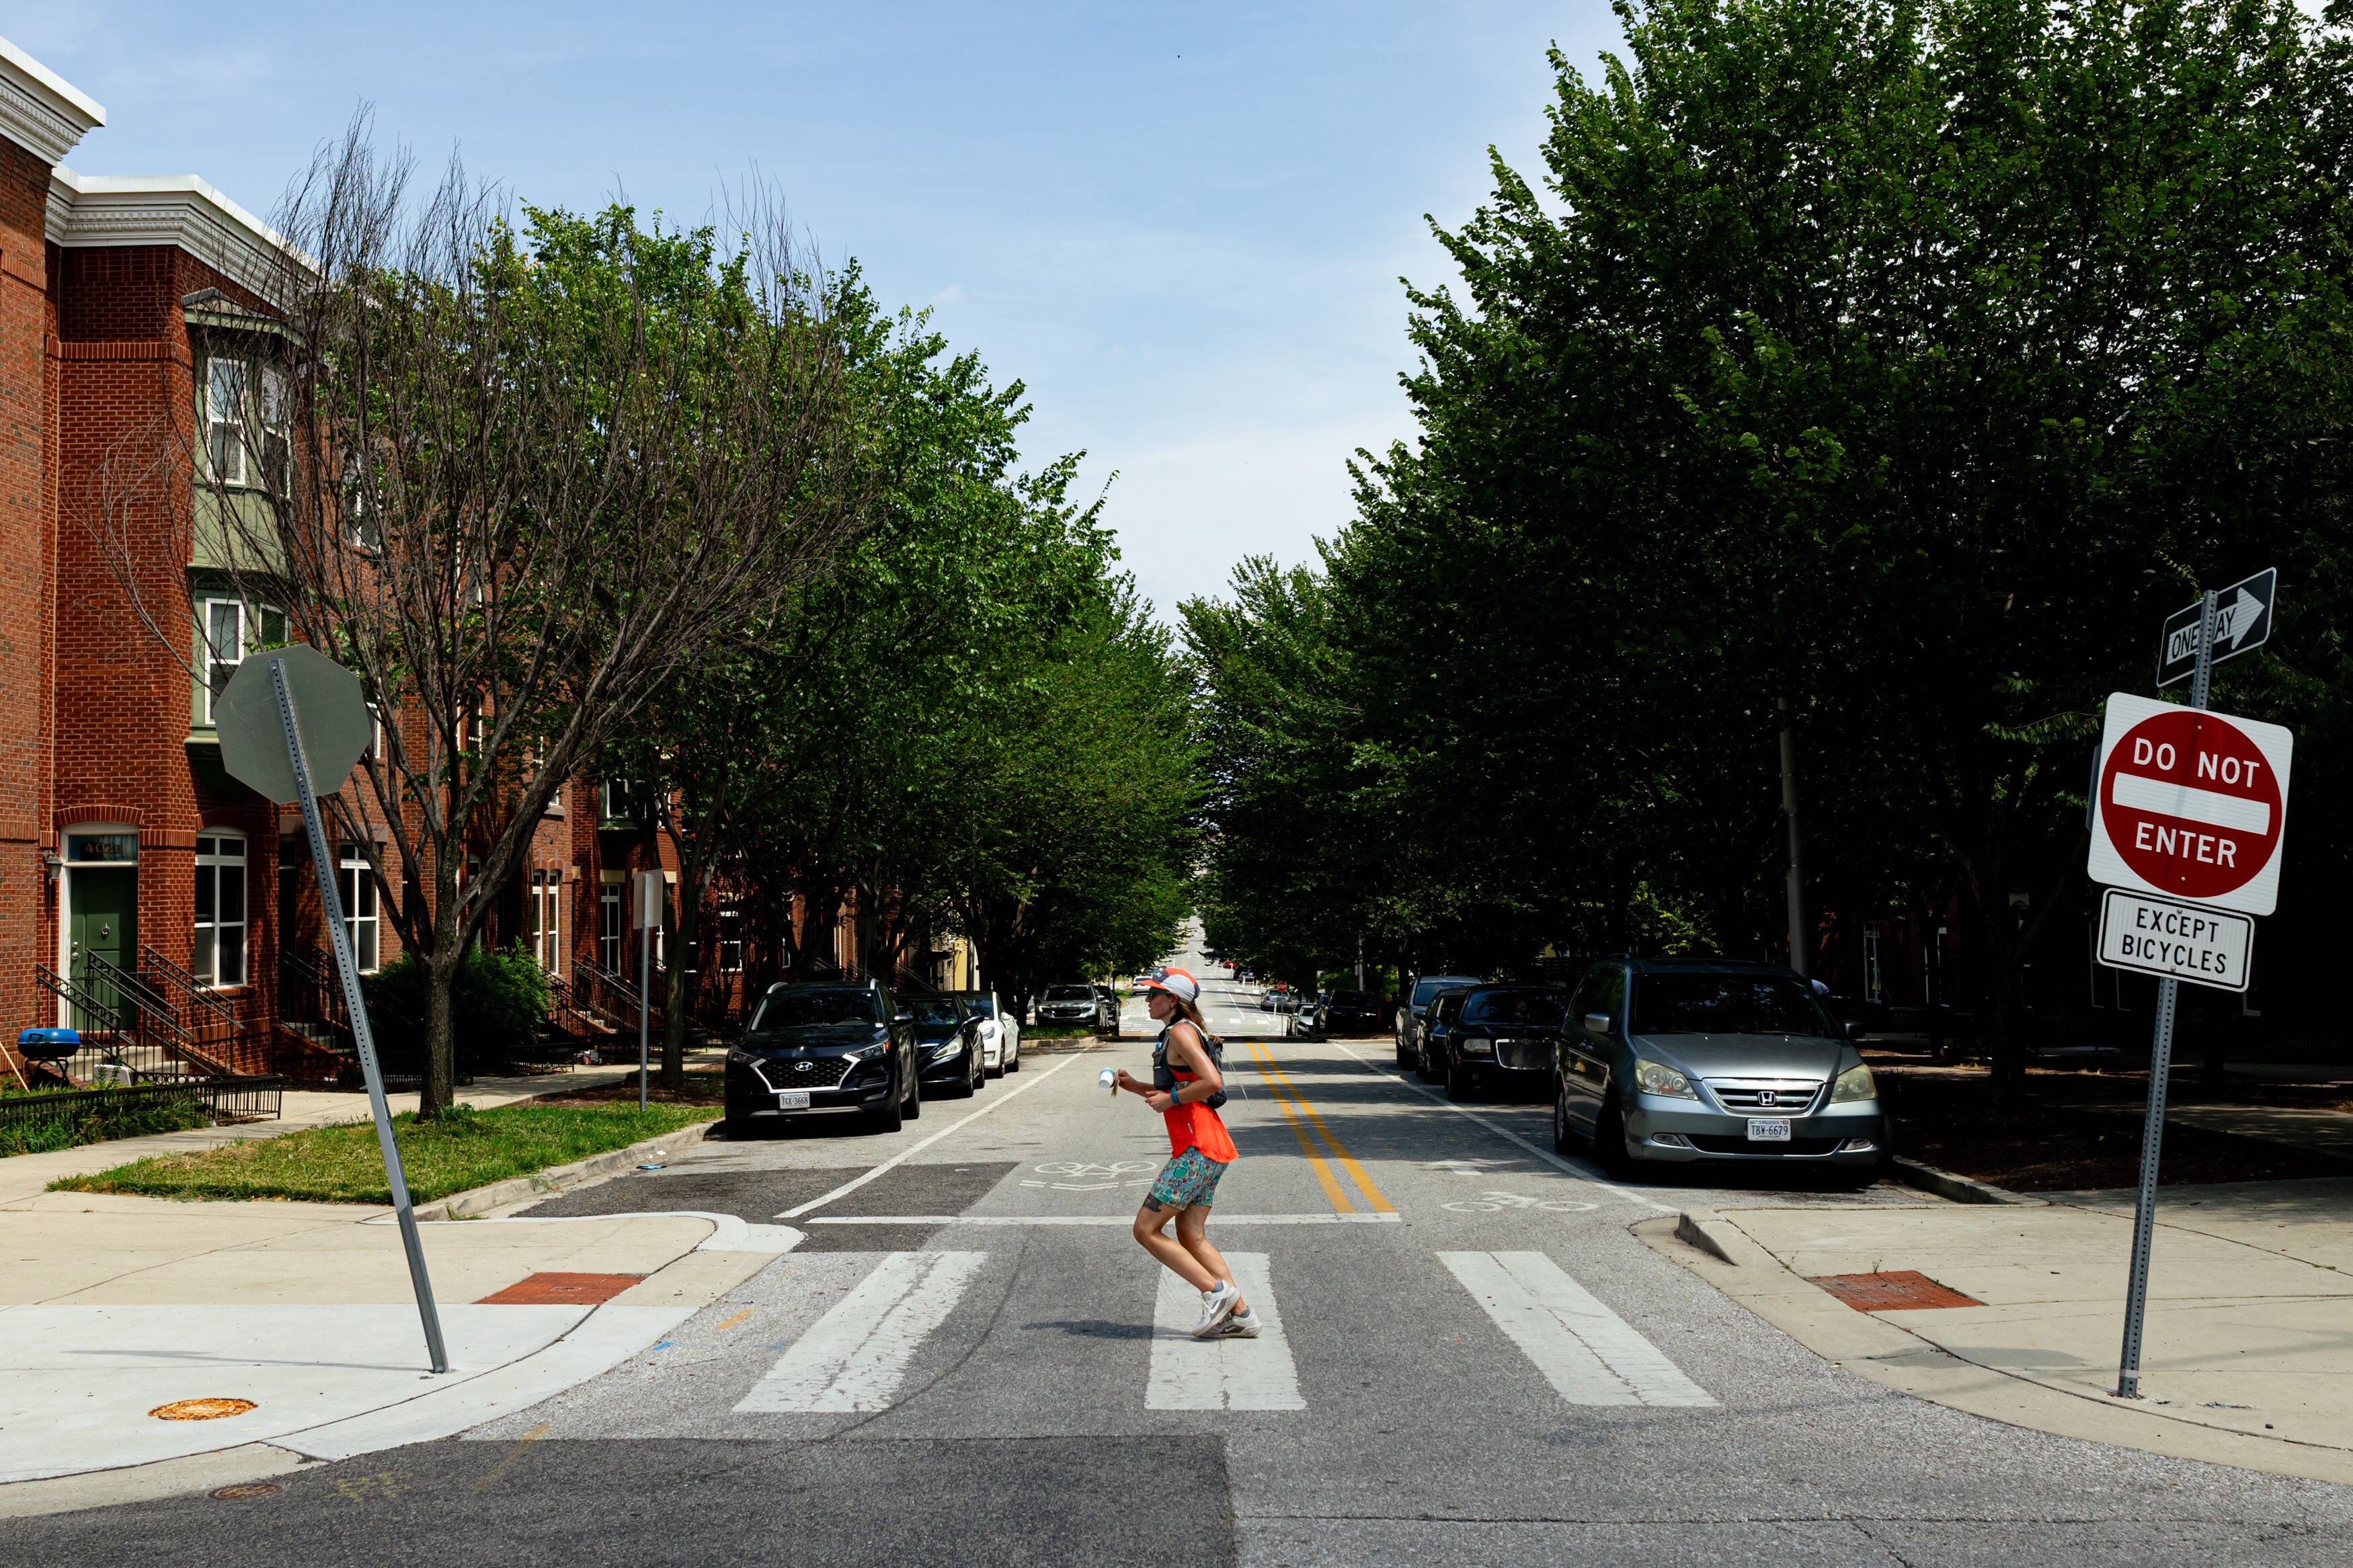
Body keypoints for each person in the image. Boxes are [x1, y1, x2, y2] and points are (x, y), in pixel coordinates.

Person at [1114, 965, 1259, 1339]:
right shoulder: (1180, 1032)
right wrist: (1134, 1087)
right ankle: (1241, 1315)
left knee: (1145, 1230)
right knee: (1191, 1235)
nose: (1147, 1001)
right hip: (1212, 1147)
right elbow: (1180, 1086)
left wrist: (1171, 1099)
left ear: (1173, 1000)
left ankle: (1217, 1294)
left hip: (1197, 1147)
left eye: (1153, 995)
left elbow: (1211, 1081)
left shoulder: (1180, 1031)